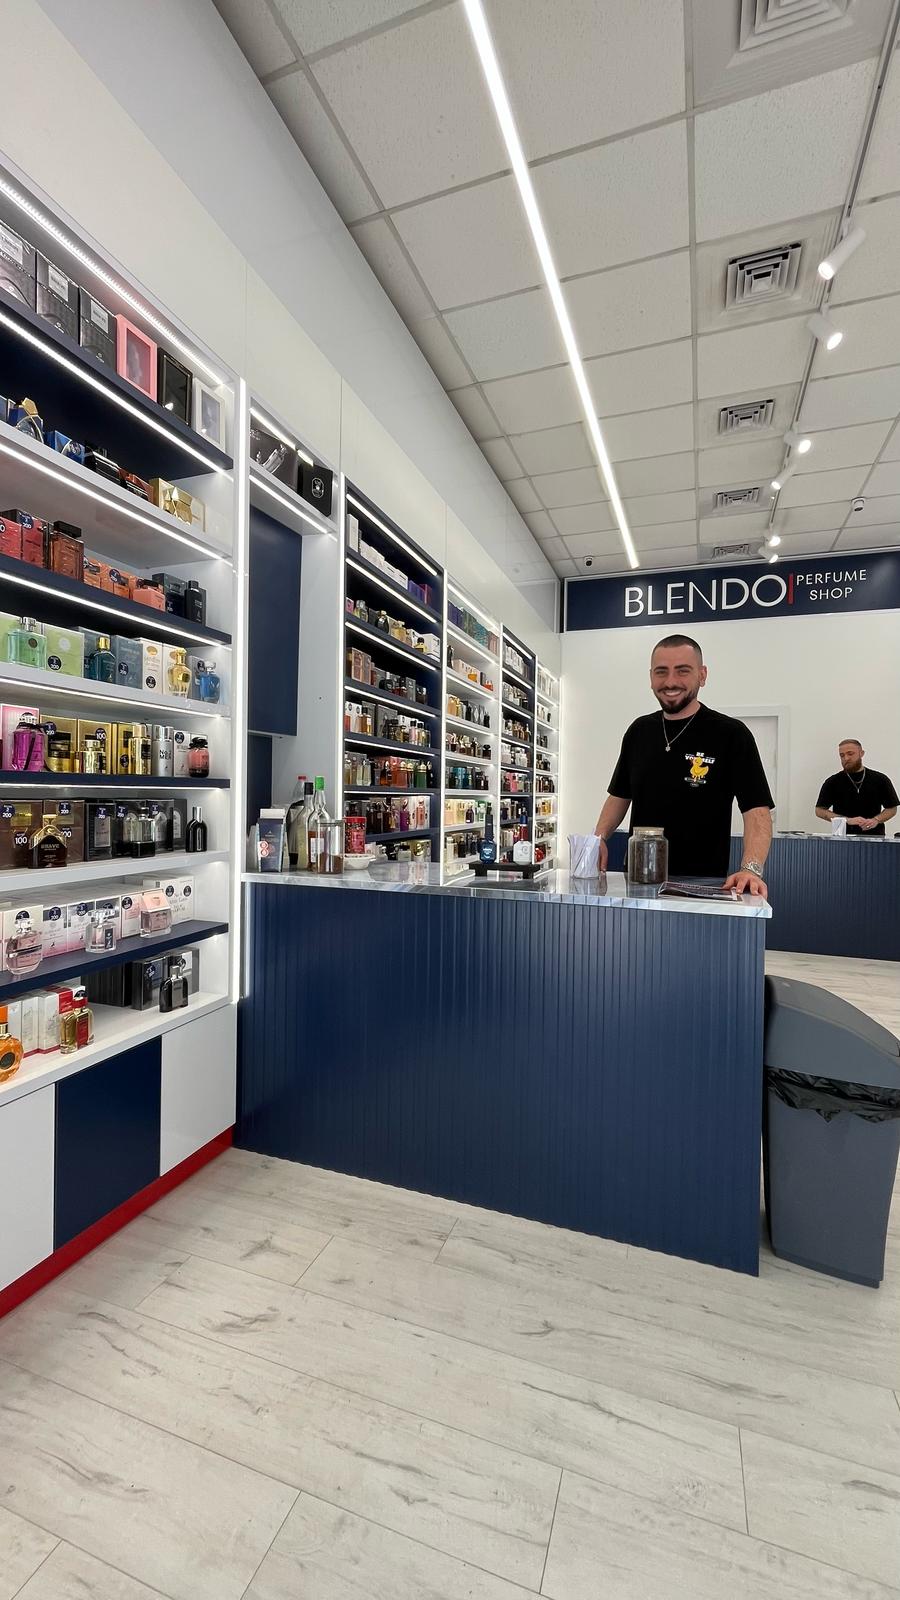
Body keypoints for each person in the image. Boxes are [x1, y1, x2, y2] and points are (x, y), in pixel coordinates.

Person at [594, 633, 774, 895]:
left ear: (702, 675)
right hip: (638, 882)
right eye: (661, 672)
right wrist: (597, 839)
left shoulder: (732, 734)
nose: (670, 681)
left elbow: (757, 810)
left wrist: (751, 869)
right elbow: (619, 796)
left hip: (703, 886)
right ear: (651, 677)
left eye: (682, 671)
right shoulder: (639, 731)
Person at [815, 741, 898, 836]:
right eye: (842, 755)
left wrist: (876, 820)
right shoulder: (832, 782)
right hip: (842, 838)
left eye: (850, 754)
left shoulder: (880, 779)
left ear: (861, 753)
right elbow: (819, 811)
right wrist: (847, 820)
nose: (846, 758)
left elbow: (892, 808)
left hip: (875, 838)